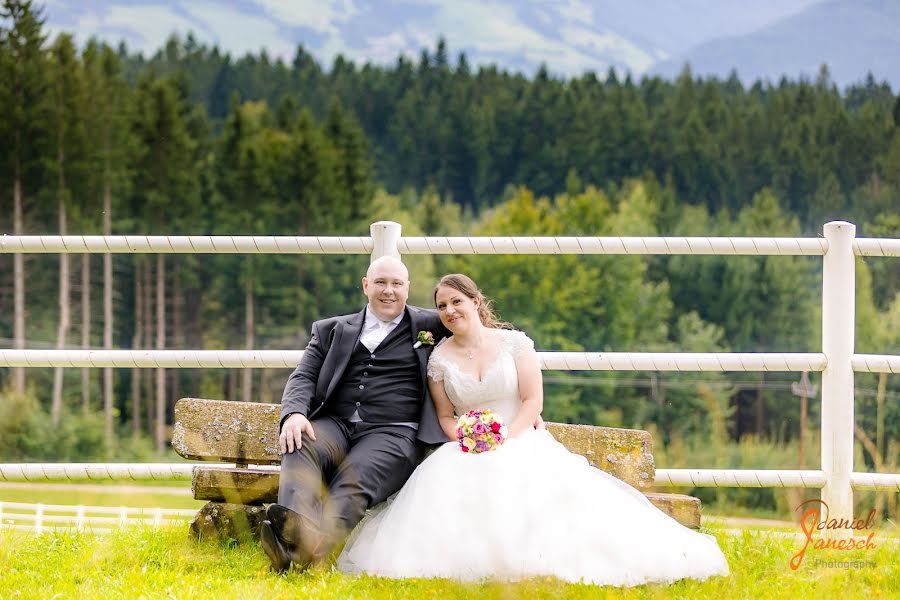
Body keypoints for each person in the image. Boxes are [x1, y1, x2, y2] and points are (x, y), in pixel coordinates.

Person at [336, 273, 730, 585]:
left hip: (521, 435)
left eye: (457, 301)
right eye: (442, 306)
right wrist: (467, 436)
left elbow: (532, 402)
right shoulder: (437, 358)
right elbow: (443, 417)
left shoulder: (515, 345)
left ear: (475, 302)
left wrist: (505, 436)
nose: (450, 311)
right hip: (468, 446)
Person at [259, 256, 451, 572]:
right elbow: (303, 376)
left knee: (354, 476)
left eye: (396, 284)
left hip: (394, 432)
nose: (388, 291)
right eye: (380, 282)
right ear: (365, 285)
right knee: (300, 442)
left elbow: (480, 338)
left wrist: (521, 400)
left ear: (407, 288)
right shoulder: (330, 329)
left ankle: (304, 552)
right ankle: (295, 541)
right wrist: (294, 413)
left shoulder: (431, 326)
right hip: (336, 424)